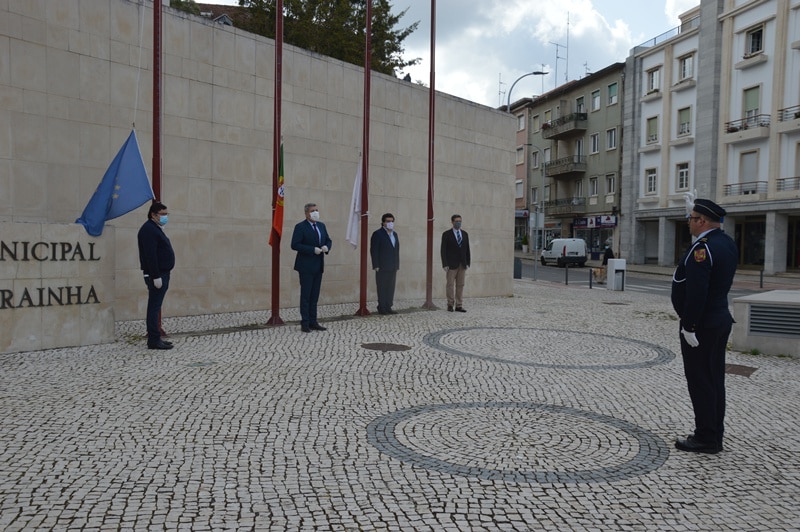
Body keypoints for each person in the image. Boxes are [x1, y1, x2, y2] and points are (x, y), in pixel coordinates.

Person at [671, 198, 738, 454]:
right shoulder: (726, 242)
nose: (688, 222)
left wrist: (689, 326)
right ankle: (713, 433)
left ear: (701, 221)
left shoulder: (703, 248)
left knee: (701, 381)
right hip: (719, 318)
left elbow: (697, 291)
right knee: (714, 379)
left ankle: (706, 437)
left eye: (691, 218)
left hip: (702, 325)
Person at [137, 201, 175, 350]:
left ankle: (156, 337)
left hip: (162, 273)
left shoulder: (155, 229)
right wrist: (155, 276)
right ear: (153, 215)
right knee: (154, 307)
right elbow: (150, 255)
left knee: (155, 306)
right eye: (162, 214)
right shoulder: (149, 230)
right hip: (157, 275)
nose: (165, 217)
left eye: (166, 214)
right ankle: (153, 339)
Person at [291, 202, 332, 333]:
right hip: (306, 266)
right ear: (306, 213)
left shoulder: (321, 225)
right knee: (306, 296)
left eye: (316, 210)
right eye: (312, 211)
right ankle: (305, 322)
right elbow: (295, 244)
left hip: (318, 265)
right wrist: (311, 249)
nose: (315, 213)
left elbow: (328, 240)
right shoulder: (300, 227)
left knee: (314, 296)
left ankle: (313, 322)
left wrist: (327, 247)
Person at [370, 213, 400, 315]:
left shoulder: (394, 234)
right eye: (388, 221)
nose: (390, 223)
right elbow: (374, 250)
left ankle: (388, 306)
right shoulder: (378, 234)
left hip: (393, 266)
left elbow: (396, 250)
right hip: (382, 266)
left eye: (392, 221)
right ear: (383, 222)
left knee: (390, 287)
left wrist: (397, 264)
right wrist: (376, 265)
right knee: (382, 287)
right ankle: (381, 307)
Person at [440, 214, 471, 312]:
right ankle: (450, 304)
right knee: (450, 285)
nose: (458, 223)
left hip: (462, 263)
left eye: (460, 221)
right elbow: (443, 250)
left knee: (460, 285)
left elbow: (467, 249)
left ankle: (459, 305)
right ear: (452, 222)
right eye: (457, 221)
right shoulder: (446, 234)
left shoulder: (465, 234)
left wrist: (468, 262)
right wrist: (445, 263)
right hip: (451, 264)